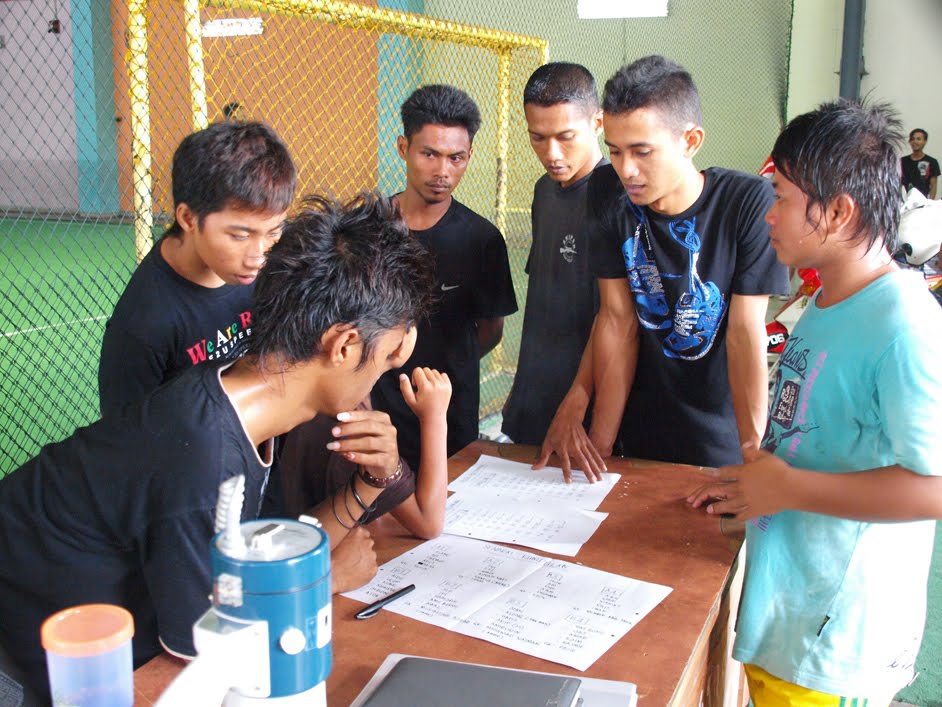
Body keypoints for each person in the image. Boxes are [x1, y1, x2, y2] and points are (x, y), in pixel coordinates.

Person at [0, 193, 434, 701]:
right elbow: (179, 679)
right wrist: (320, 584)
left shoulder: (240, 396)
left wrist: (364, 486)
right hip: (33, 656)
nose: (394, 366)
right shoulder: (205, 457)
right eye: (388, 356)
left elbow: (250, 559)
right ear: (342, 347)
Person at [688, 99, 942, 706]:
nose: (769, 216)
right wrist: (756, 482)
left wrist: (790, 489)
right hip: (791, 614)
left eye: (780, 197)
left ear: (836, 211)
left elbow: (934, 486)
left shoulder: (902, 324)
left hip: (838, 643)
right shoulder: (825, 303)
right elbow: (815, 437)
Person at [539, 55, 789, 481]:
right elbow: (617, 320)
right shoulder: (607, 192)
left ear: (690, 141)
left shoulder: (746, 203)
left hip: (717, 440)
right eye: (615, 152)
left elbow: (745, 333)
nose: (627, 170)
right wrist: (599, 449)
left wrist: (752, 453)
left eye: (642, 151)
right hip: (637, 431)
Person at [98, 121, 295, 418]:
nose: (259, 255)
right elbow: (128, 443)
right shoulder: (143, 326)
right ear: (189, 218)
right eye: (240, 236)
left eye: (273, 231)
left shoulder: (273, 256)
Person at [371, 84, 517, 470]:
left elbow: (491, 329)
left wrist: (450, 365)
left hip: (453, 414)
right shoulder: (366, 231)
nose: (443, 171)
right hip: (377, 411)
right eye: (429, 154)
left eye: (457, 158)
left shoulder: (482, 240)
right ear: (403, 148)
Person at [500, 62, 605, 447]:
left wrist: (581, 399)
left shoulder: (614, 197)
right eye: (538, 138)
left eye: (566, 136)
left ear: (597, 123)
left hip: (583, 401)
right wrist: (522, 387)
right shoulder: (544, 190)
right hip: (536, 392)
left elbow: (616, 318)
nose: (551, 153)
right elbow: (542, 299)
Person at [272, 364, 452, 539]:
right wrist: (434, 416)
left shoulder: (307, 393)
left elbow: (377, 520)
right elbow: (428, 522)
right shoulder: (344, 421)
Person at [901, 128, 939, 199]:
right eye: (912, 139)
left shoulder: (932, 162)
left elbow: (933, 186)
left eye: (918, 139)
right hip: (905, 202)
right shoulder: (902, 161)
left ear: (924, 141)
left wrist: (929, 203)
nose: (915, 141)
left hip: (923, 202)